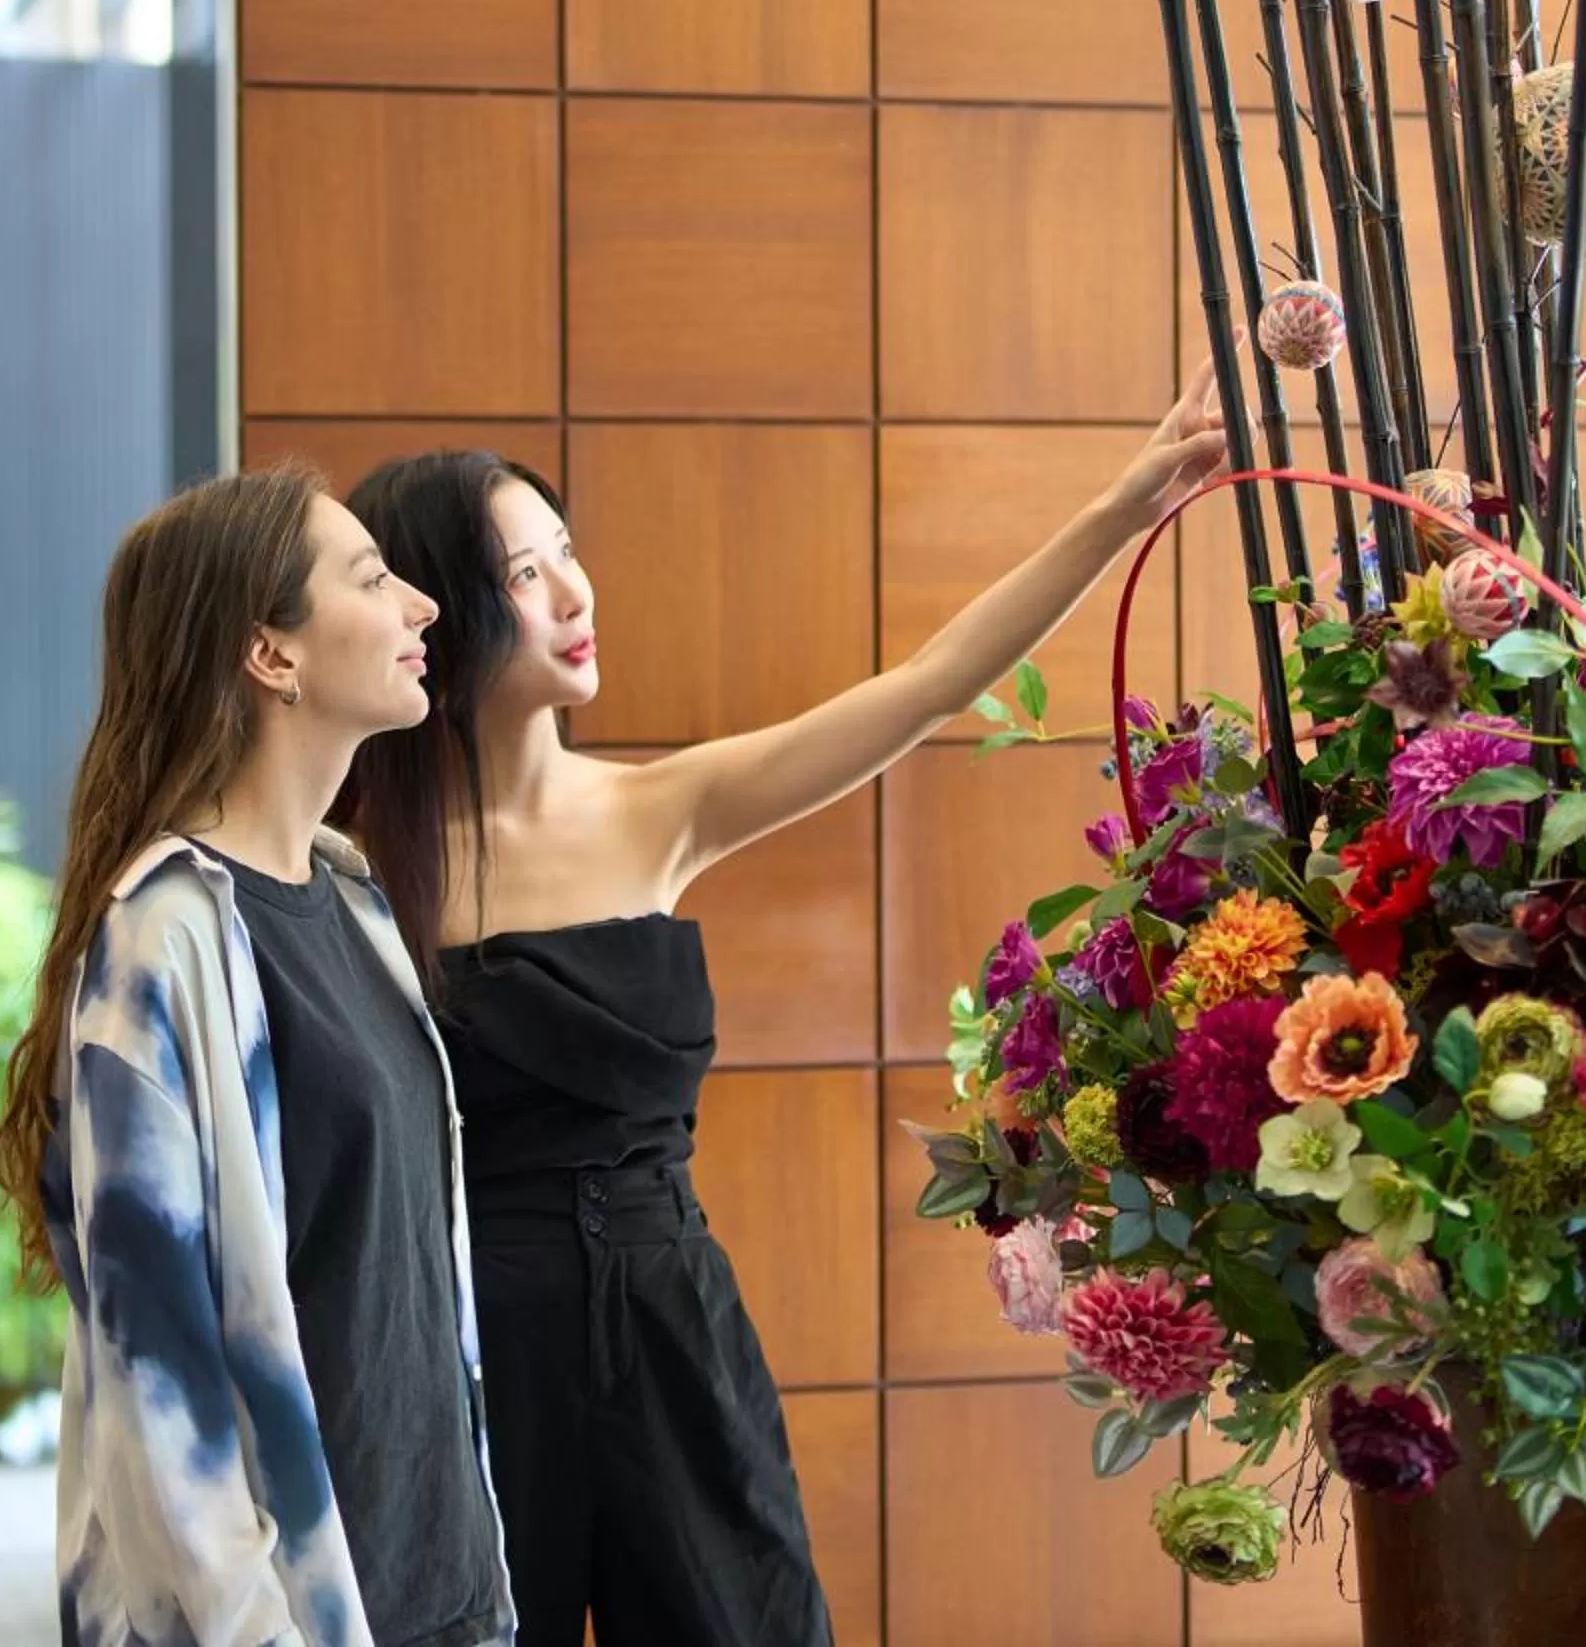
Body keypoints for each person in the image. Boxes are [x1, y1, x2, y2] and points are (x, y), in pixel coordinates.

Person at [338, 364, 1228, 1646]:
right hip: (466, 1341)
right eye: (527, 573)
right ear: (445, 609)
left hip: (670, 1322)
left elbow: (928, 682)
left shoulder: (666, 805)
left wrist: (1125, 500)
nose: (577, 594)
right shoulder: (352, 860)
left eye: (567, 550)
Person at [0, 468, 516, 1647]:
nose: (423, 605)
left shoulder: (351, 897)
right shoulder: (164, 933)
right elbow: (157, 1379)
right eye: (374, 578)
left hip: (438, 1593)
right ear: (270, 656)